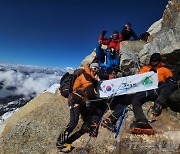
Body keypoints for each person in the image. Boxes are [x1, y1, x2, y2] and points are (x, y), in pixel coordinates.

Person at [56, 63, 100, 148]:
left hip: (80, 101)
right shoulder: (86, 77)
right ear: (91, 68)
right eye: (94, 68)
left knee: (87, 115)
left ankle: (86, 127)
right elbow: (90, 93)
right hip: (74, 101)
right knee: (73, 122)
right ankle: (60, 142)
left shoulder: (90, 77)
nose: (96, 71)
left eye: (97, 69)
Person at [130, 53, 173, 135]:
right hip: (145, 89)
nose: (153, 63)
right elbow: (138, 79)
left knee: (166, 85)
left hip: (157, 89)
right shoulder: (145, 68)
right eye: (152, 61)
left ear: (159, 61)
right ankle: (142, 121)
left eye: (155, 61)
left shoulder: (165, 70)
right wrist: (147, 74)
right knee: (135, 100)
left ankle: (159, 103)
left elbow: (170, 84)